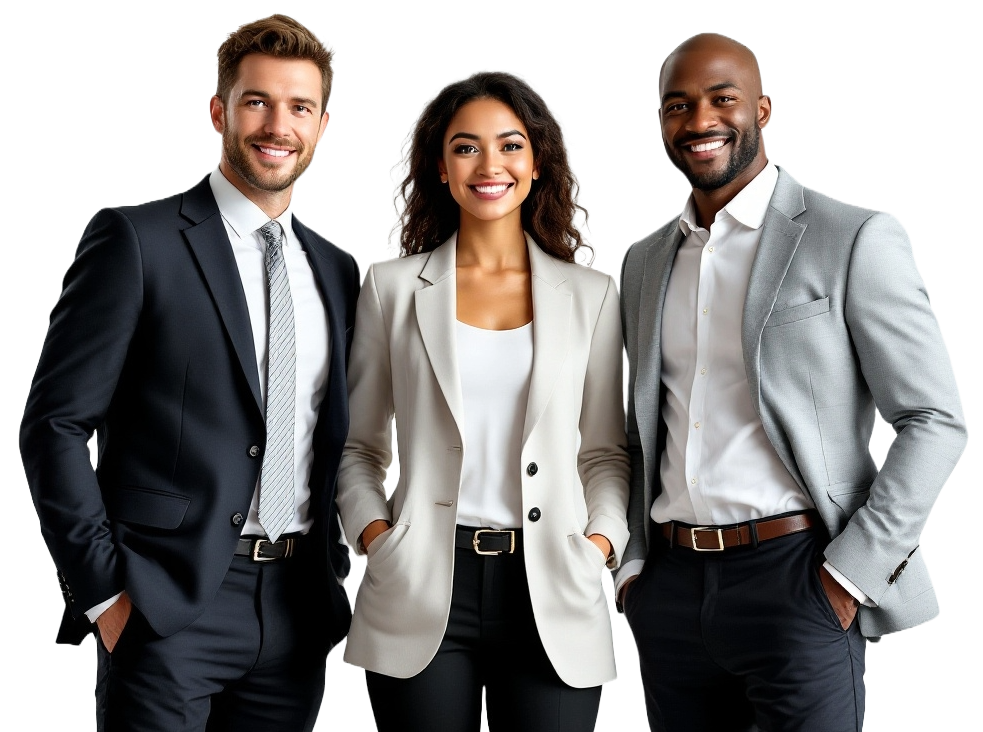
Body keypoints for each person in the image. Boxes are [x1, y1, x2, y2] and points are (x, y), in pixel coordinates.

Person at [615, 31, 969, 731]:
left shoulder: (853, 236)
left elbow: (934, 420)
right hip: (670, 587)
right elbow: (634, 429)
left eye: (722, 100)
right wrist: (632, 572)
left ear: (763, 110)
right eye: (676, 106)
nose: (699, 122)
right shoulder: (642, 259)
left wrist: (848, 575)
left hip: (798, 576)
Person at [18, 12, 361, 731]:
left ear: (323, 123)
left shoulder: (336, 269)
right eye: (256, 101)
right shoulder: (136, 240)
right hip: (167, 604)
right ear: (218, 110)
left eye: (299, 106)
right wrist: (105, 594)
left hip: (298, 608)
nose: (278, 125)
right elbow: (54, 425)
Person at [334, 67, 630, 732]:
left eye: (509, 145)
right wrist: (376, 536)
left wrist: (600, 544)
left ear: (537, 162)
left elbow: (604, 451)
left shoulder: (591, 295)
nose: (488, 164)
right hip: (419, 583)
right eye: (466, 147)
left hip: (553, 581)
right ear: (440, 167)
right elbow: (358, 444)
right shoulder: (391, 287)